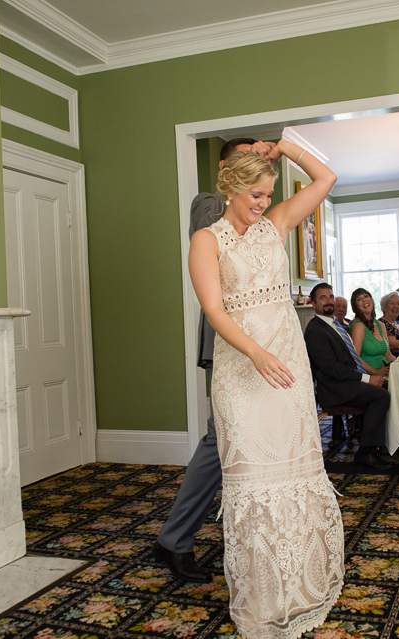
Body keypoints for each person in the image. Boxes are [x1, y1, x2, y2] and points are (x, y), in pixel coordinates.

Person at [187, 143, 343, 637]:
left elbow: (326, 179)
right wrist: (255, 353)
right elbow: (214, 310)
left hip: (288, 370)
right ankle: (262, 597)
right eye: (255, 194)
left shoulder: (274, 226)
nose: (262, 202)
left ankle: (303, 584)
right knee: (254, 482)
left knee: (294, 477)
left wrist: (285, 148)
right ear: (230, 187)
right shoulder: (206, 241)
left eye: (267, 194)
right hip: (242, 370)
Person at [156, 137, 274, 583]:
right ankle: (176, 538)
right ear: (227, 169)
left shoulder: (261, 208)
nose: (258, 166)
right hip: (229, 345)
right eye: (248, 160)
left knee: (229, 442)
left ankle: (235, 534)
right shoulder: (208, 207)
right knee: (220, 442)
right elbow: (228, 235)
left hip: (263, 344)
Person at [305, 283, 393, 470]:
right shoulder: (315, 330)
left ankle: (383, 441)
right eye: (322, 298)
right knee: (381, 395)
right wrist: (367, 378)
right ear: (313, 304)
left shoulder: (335, 324)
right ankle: (366, 452)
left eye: (330, 296)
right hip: (334, 388)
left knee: (388, 387)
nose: (329, 301)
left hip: (346, 381)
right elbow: (332, 369)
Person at [349, 288, 396, 374]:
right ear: (355, 306)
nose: (364, 300)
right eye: (359, 299)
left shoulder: (381, 325)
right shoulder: (358, 326)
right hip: (371, 377)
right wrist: (376, 372)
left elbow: (388, 355)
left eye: (366, 296)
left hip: (387, 372)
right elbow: (355, 357)